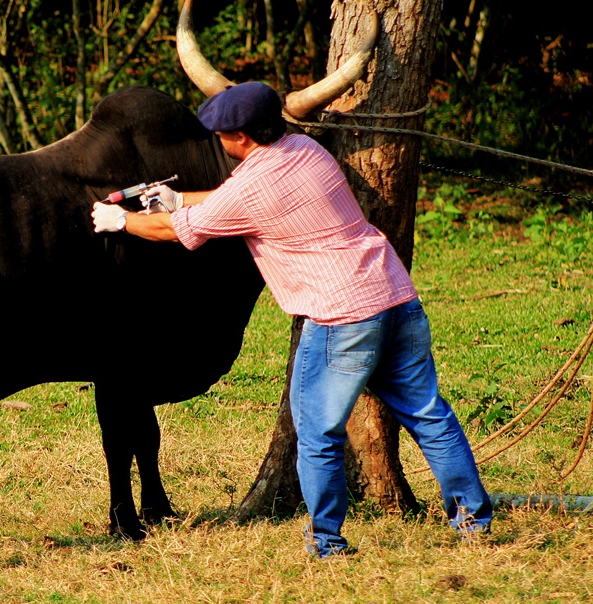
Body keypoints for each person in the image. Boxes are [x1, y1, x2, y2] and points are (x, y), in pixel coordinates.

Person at [90, 81, 492, 557]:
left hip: (340, 317)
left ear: (240, 137)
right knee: (429, 416)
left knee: (318, 431)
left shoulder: (255, 187)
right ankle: (473, 523)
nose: (218, 140)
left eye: (221, 133)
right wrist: (180, 198)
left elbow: (176, 232)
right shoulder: (305, 150)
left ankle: (327, 541)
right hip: (394, 296)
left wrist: (122, 222)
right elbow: (228, 196)